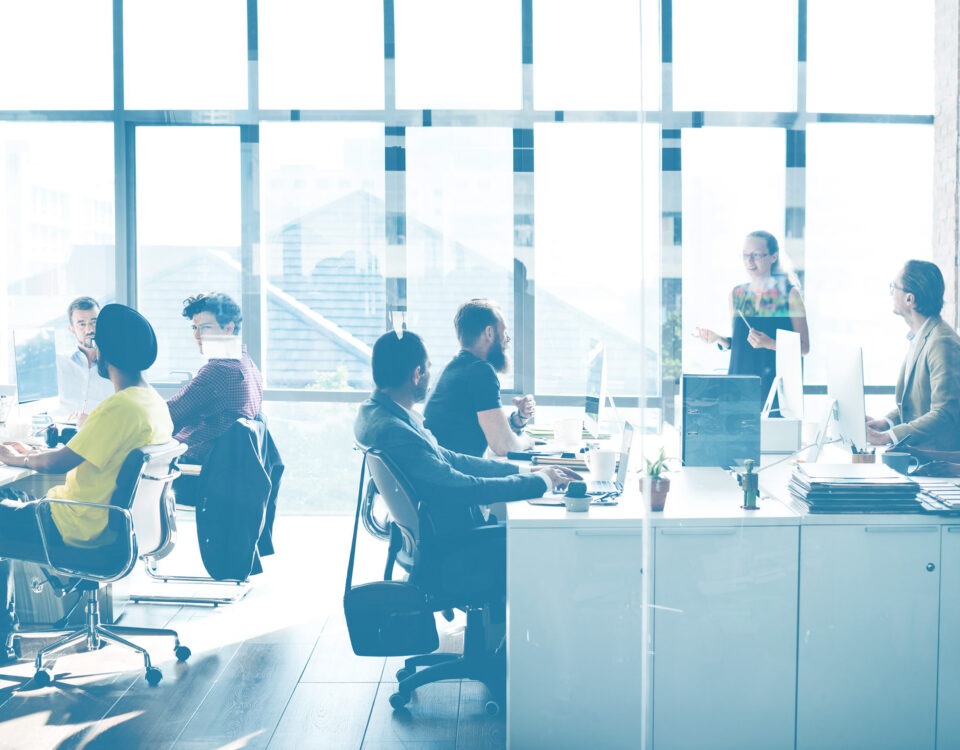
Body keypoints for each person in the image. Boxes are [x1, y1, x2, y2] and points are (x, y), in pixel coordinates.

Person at [0, 304, 173, 662]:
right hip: (107, 525)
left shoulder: (119, 407)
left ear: (100, 354)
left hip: (72, 524)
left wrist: (16, 458)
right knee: (13, 498)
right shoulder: (152, 402)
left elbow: (59, 460)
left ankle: (4, 639)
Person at [355, 331, 575, 596]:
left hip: (428, 539)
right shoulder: (394, 430)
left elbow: (450, 458)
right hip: (450, 547)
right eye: (427, 370)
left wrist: (527, 471)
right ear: (416, 374)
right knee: (545, 535)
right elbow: (463, 487)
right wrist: (543, 482)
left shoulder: (377, 412)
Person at [694, 231, 810, 401]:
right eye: (745, 255)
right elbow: (742, 343)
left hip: (774, 394)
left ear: (773, 257)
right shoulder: (737, 294)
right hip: (738, 391)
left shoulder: (790, 295)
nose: (749, 260)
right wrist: (720, 339)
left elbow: (804, 347)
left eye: (756, 255)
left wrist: (770, 344)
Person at [866, 260, 960, 450]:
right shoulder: (922, 337)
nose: (891, 293)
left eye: (894, 287)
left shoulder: (942, 341)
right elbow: (919, 404)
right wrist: (887, 423)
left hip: (935, 460)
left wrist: (888, 437)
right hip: (920, 454)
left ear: (910, 299)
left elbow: (945, 413)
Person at [424, 299, 535, 457]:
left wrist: (518, 419)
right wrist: (527, 442)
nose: (508, 340)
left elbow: (489, 427)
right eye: (504, 333)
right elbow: (503, 446)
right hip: (456, 476)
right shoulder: (480, 371)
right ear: (489, 333)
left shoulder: (456, 367)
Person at [167, 293, 263, 464]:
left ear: (228, 328)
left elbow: (168, 415)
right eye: (194, 328)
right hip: (219, 470)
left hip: (192, 469)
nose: (197, 336)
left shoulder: (219, 370)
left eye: (205, 327)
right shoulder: (248, 364)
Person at [56, 296, 115, 421]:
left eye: (94, 322)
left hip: (102, 431)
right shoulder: (59, 363)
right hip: (62, 431)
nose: (90, 329)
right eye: (82, 324)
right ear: (71, 329)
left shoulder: (118, 366)